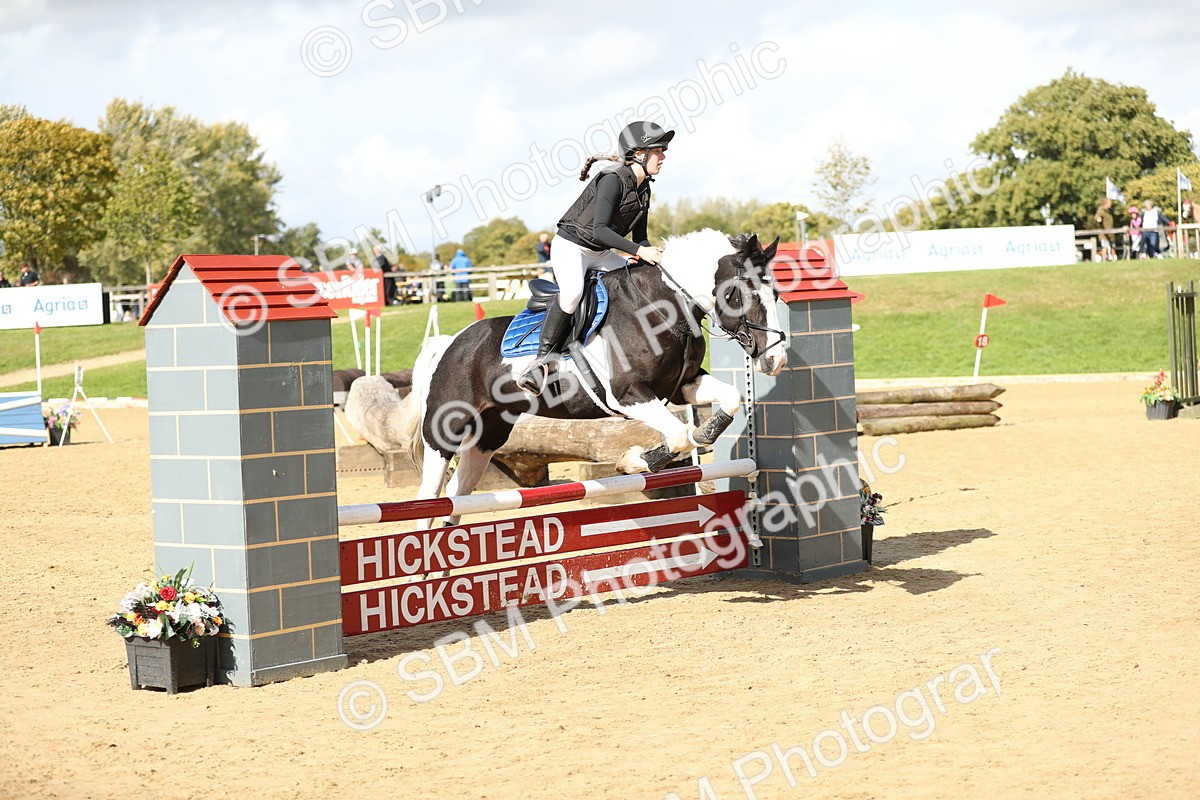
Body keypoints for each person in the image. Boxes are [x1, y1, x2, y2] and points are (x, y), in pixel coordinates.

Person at [515, 120, 675, 395]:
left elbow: (640, 238)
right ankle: (540, 362)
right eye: (658, 150)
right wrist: (638, 252)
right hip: (571, 247)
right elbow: (599, 229)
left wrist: (651, 254)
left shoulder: (644, 189)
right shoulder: (612, 180)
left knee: (636, 282)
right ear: (638, 153)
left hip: (601, 252)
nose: (663, 156)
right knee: (573, 293)